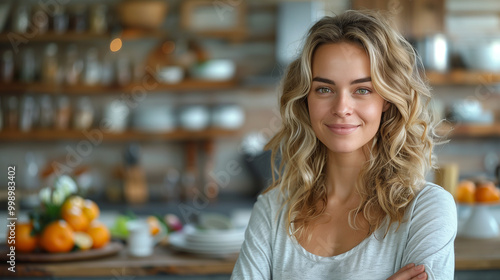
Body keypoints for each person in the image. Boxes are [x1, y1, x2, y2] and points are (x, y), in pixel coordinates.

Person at [231, 9, 457, 280]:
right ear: (306, 99)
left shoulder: (427, 209)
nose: (341, 108)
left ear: (386, 99)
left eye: (362, 90)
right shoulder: (272, 210)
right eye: (324, 89)